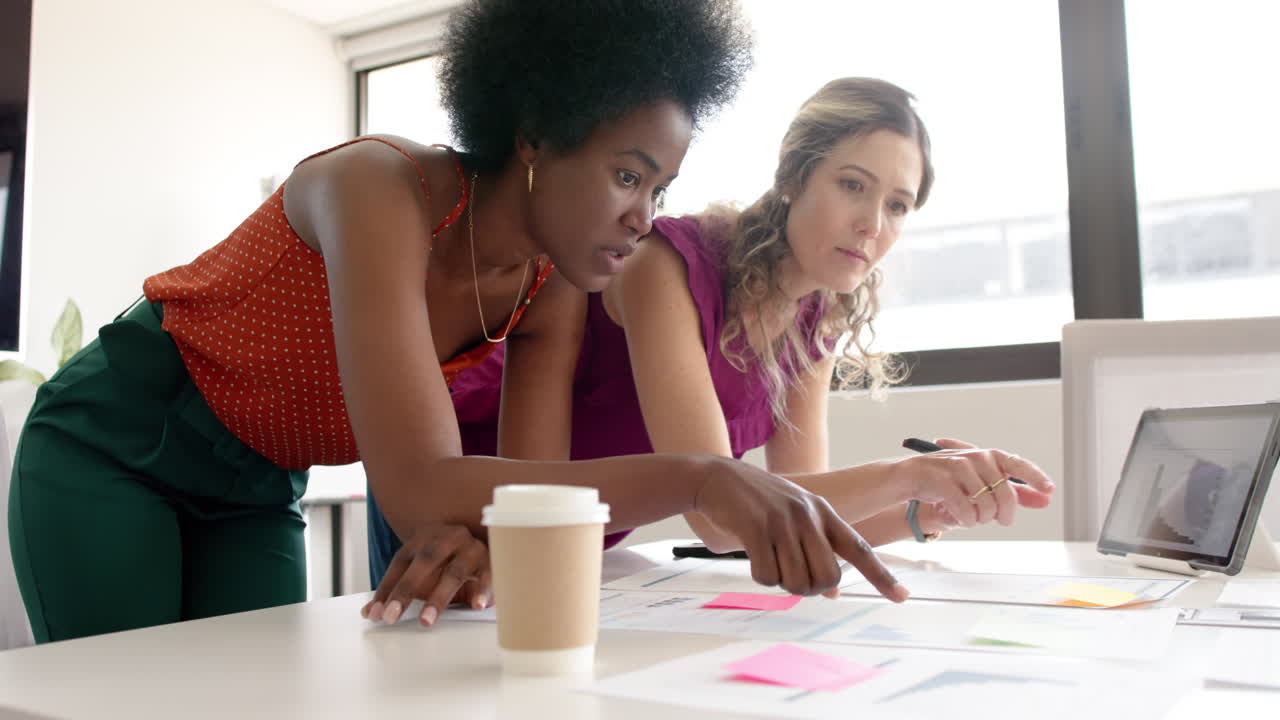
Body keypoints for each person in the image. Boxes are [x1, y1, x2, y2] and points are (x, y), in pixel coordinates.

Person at [8, 1, 910, 644]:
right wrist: (707, 478)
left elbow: (529, 493)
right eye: (628, 175)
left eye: (661, 189)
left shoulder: (548, 289)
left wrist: (479, 541)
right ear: (533, 133)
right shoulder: (381, 189)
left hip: (258, 484)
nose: (645, 216)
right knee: (124, 697)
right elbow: (418, 482)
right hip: (120, 444)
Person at [407, 77, 1055, 566]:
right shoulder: (667, 265)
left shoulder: (815, 321)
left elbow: (793, 504)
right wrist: (907, 474)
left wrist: (924, 511)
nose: (872, 224)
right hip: (475, 504)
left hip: (582, 543)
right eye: (853, 185)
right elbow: (719, 522)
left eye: (898, 205)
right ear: (794, 177)